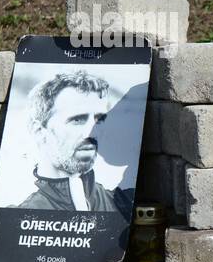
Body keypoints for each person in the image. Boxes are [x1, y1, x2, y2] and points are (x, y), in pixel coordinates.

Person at [13, 71, 134, 217]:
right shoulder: (23, 217)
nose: (92, 132)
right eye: (77, 120)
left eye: (99, 119)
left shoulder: (121, 205)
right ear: (38, 131)